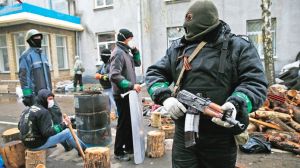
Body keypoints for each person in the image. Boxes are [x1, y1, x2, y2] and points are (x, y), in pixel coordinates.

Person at [145, 0, 268, 167]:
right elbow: (154, 73)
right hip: (184, 134)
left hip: (220, 135)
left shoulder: (238, 47)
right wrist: (164, 97)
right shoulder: (178, 48)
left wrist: (236, 103)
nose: (188, 34)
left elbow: (255, 82)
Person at [18, 29, 71, 151]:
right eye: (35, 38)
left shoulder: (43, 55)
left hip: (47, 94)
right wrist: (27, 96)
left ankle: (65, 142)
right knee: (42, 121)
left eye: (39, 37)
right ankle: (51, 141)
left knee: (56, 114)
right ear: (29, 40)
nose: (38, 40)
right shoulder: (26, 56)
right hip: (36, 96)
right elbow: (23, 76)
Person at [18, 89, 87, 154]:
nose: (52, 101)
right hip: (37, 144)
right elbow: (47, 133)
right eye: (50, 99)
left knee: (58, 129)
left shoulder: (27, 110)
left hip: (26, 143)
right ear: (43, 99)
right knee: (67, 133)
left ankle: (68, 146)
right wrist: (64, 124)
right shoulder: (44, 112)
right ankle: (85, 151)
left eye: (52, 99)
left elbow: (19, 126)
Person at [109, 28, 142, 161]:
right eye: (130, 39)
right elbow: (114, 75)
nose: (131, 41)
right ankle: (118, 151)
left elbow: (138, 63)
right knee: (123, 122)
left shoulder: (126, 52)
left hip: (129, 94)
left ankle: (129, 147)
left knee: (130, 122)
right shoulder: (118, 53)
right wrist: (131, 85)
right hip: (122, 94)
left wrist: (136, 52)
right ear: (125, 38)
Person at [95, 49, 118, 117]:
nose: (101, 58)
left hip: (111, 88)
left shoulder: (111, 64)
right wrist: (97, 74)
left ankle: (121, 120)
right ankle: (107, 118)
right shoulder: (104, 64)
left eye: (102, 56)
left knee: (115, 104)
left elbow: (111, 76)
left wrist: (101, 76)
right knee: (107, 105)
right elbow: (98, 72)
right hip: (105, 88)